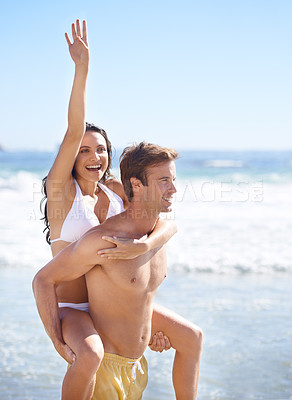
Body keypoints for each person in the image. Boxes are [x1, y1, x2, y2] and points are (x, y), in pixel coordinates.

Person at [39, 19, 203, 400]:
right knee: (92, 354)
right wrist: (82, 70)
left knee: (190, 337)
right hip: (73, 307)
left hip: (108, 302)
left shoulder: (115, 191)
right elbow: (72, 129)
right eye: (84, 150)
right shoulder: (62, 195)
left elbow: (165, 221)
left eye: (100, 149)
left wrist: (144, 248)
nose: (94, 156)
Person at [34, 142, 197, 400]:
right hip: (104, 367)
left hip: (136, 367)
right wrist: (58, 341)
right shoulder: (105, 240)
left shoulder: (155, 235)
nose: (174, 189)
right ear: (136, 185)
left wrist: (144, 245)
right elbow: (43, 279)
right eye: (164, 180)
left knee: (192, 337)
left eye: (174, 179)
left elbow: (169, 226)